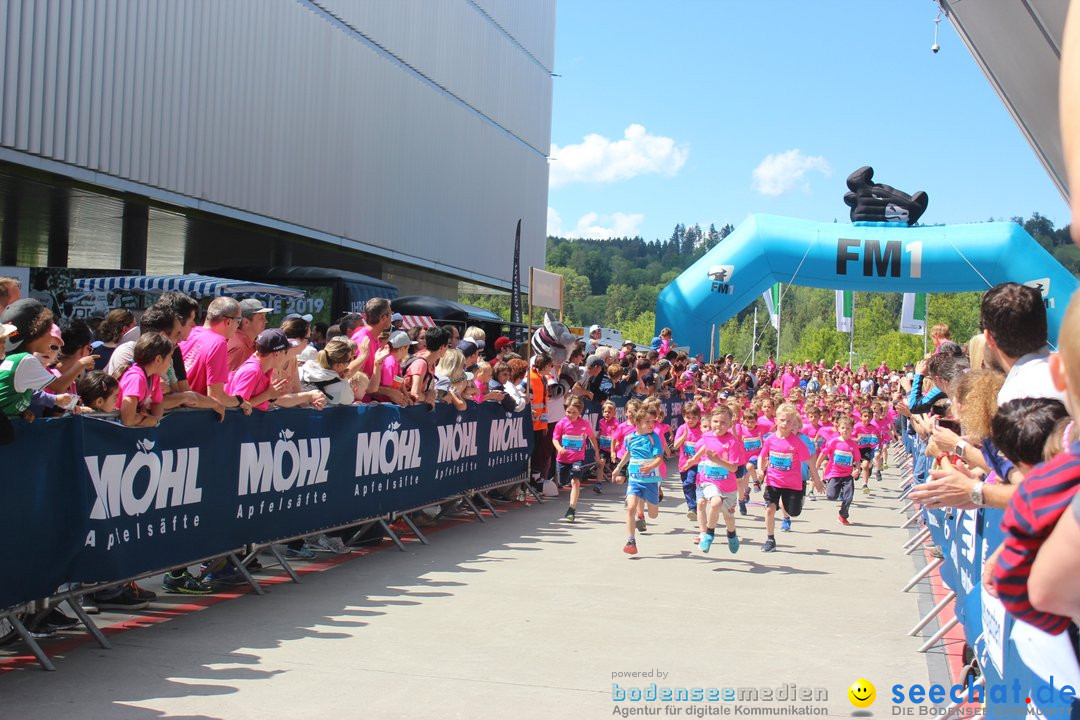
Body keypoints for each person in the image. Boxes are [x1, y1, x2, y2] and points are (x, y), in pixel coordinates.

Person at [758, 402, 823, 552]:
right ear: (776, 420)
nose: (785, 424)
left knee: (793, 512)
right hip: (773, 481)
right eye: (782, 420)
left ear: (794, 423)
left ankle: (799, 498)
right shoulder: (770, 439)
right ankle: (770, 539)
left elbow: (809, 462)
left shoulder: (797, 443)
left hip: (793, 484)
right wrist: (761, 471)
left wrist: (817, 480)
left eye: (789, 421)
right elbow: (762, 456)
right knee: (770, 508)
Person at [179, 297, 253, 415]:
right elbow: (217, 396)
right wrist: (240, 401)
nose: (237, 327)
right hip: (194, 416)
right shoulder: (218, 342)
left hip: (177, 411)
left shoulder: (190, 332)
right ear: (228, 322)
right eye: (238, 321)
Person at [686, 405, 741, 554]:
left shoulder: (732, 442)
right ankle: (709, 534)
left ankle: (732, 534)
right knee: (715, 502)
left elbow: (734, 468)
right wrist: (693, 460)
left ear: (730, 424)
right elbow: (705, 448)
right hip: (709, 480)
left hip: (728, 485)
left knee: (729, 518)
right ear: (711, 422)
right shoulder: (707, 436)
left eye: (723, 423)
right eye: (716, 421)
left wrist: (718, 460)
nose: (719, 425)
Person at [611, 401, 664, 555]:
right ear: (637, 422)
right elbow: (628, 454)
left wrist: (651, 467)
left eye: (653, 421)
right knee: (630, 507)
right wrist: (618, 468)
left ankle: (653, 499)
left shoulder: (654, 438)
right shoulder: (629, 438)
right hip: (634, 480)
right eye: (647, 421)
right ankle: (631, 540)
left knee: (653, 514)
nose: (651, 425)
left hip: (651, 481)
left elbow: (659, 458)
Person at [228, 329, 326, 411]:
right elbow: (237, 407)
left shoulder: (266, 369)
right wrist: (268, 395)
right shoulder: (252, 370)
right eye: (286, 351)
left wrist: (272, 397)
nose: (288, 355)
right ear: (276, 354)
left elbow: (261, 401)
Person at [552, 395, 601, 523]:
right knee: (563, 482)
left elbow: (592, 438)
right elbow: (555, 439)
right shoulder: (561, 423)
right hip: (563, 458)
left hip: (577, 458)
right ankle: (565, 480)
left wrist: (596, 452)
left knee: (575, 481)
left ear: (580, 412)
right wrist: (559, 448)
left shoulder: (584, 424)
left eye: (574, 412)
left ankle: (571, 509)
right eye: (568, 411)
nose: (571, 414)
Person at [116, 332, 173, 427]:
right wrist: (152, 421)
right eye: (169, 357)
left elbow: (157, 403)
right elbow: (128, 420)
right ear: (158, 359)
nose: (170, 364)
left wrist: (155, 420)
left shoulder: (154, 376)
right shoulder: (135, 378)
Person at [818, 416, 859, 525]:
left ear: (852, 430)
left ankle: (843, 515)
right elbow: (824, 453)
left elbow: (857, 459)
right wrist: (816, 466)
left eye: (848, 428)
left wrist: (857, 469)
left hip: (847, 475)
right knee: (831, 496)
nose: (845, 430)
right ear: (839, 429)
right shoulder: (833, 442)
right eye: (843, 428)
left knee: (848, 497)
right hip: (834, 473)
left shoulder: (853, 445)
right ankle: (834, 487)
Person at [299, 337, 357, 405]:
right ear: (339, 365)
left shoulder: (303, 369)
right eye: (349, 359)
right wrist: (344, 379)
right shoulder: (339, 385)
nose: (352, 360)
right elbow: (349, 400)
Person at [673, 402, 703, 521]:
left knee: (689, 482)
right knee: (686, 485)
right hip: (684, 463)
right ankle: (694, 508)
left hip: (697, 463)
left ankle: (692, 507)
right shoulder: (682, 428)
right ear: (683, 416)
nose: (690, 420)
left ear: (698, 417)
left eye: (694, 418)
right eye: (688, 417)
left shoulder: (702, 428)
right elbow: (675, 446)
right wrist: (683, 436)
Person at [226, 299, 271, 372]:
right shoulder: (239, 348)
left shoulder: (248, 343)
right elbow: (229, 381)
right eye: (261, 317)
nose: (266, 321)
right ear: (246, 322)